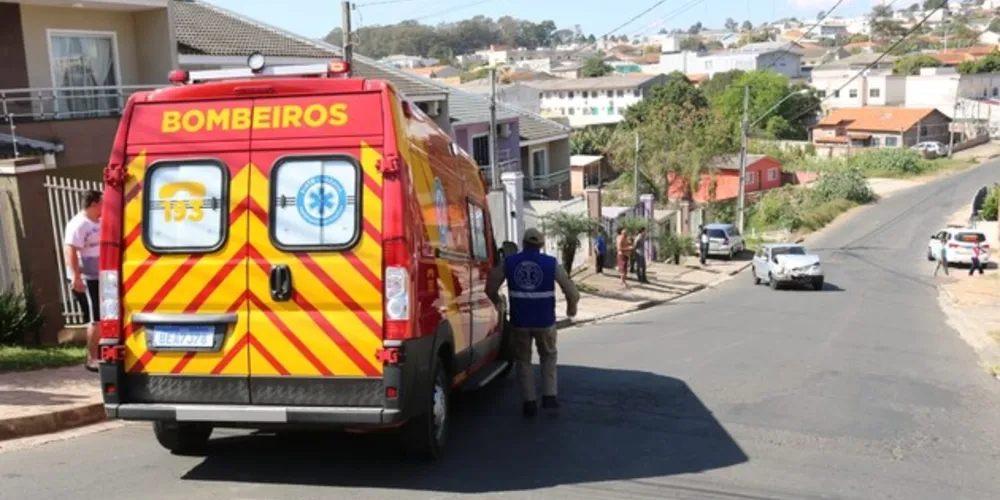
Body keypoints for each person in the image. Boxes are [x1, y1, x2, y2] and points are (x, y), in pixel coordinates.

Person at [486, 228, 579, 417]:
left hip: (520, 322)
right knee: (548, 356)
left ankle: (529, 402)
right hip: (545, 321)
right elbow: (571, 291)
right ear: (541, 245)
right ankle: (549, 396)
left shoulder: (509, 262)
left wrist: (497, 300)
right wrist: (571, 309)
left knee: (523, 361)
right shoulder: (550, 263)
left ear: (523, 243)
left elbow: (490, 286)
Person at [65, 190, 102, 371]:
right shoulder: (79, 224)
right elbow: (70, 250)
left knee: (105, 316)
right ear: (94, 204)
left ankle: (101, 353)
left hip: (102, 277)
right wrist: (76, 277)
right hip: (87, 278)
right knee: (96, 318)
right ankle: (92, 358)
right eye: (102, 202)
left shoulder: (100, 220)